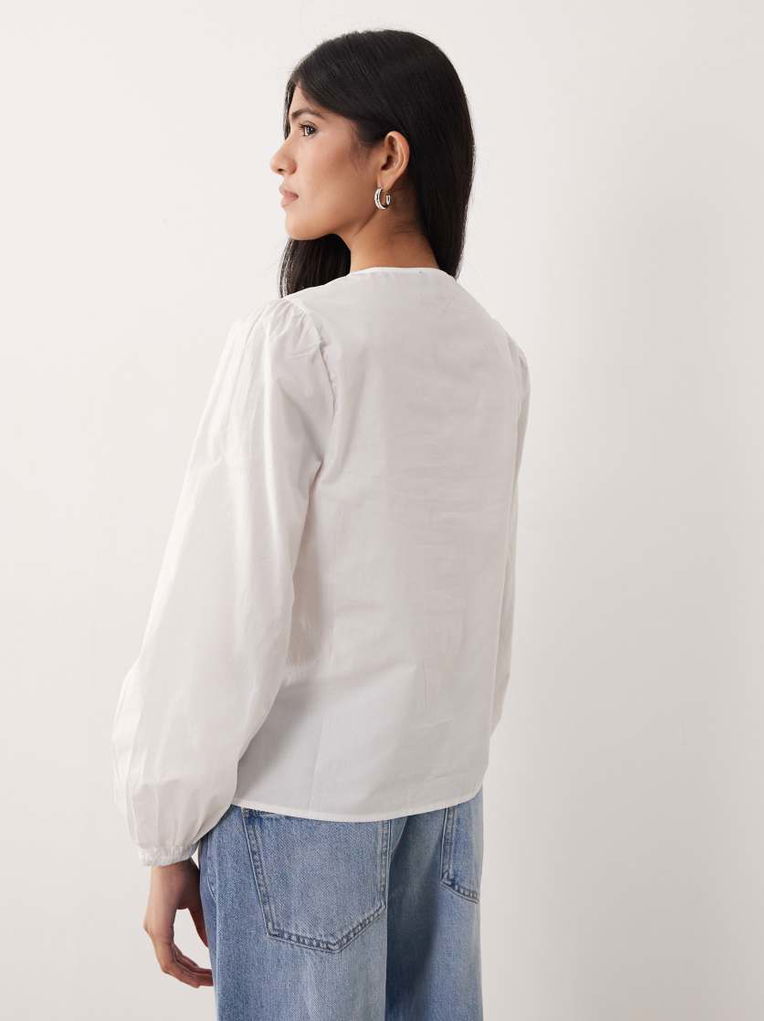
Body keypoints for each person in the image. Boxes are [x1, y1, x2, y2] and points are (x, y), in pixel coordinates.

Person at [111, 27, 530, 1021]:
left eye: (306, 127)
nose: (279, 157)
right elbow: (484, 610)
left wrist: (165, 832)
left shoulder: (300, 339)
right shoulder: (493, 353)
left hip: (304, 815)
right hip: (444, 803)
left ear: (389, 155)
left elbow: (222, 607)